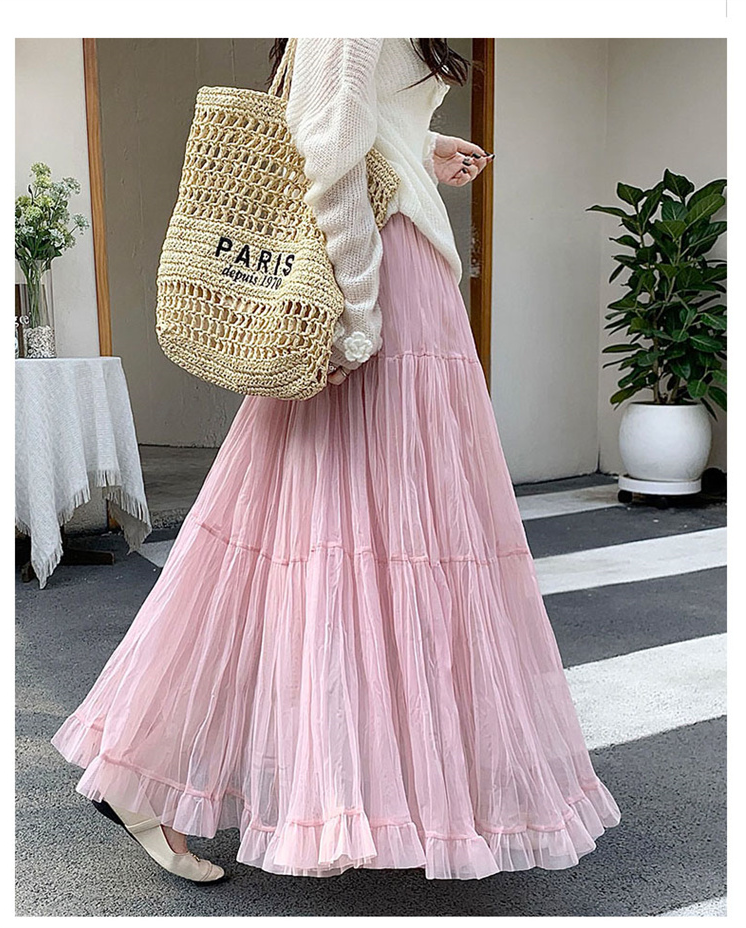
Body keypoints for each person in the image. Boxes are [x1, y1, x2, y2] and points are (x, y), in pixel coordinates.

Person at [51, 37, 621, 884]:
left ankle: (246, 776)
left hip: (405, 282)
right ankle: (150, 770)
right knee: (300, 539)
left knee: (319, 538)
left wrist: (421, 144)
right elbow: (323, 149)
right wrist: (357, 314)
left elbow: (353, 120)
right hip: (379, 290)